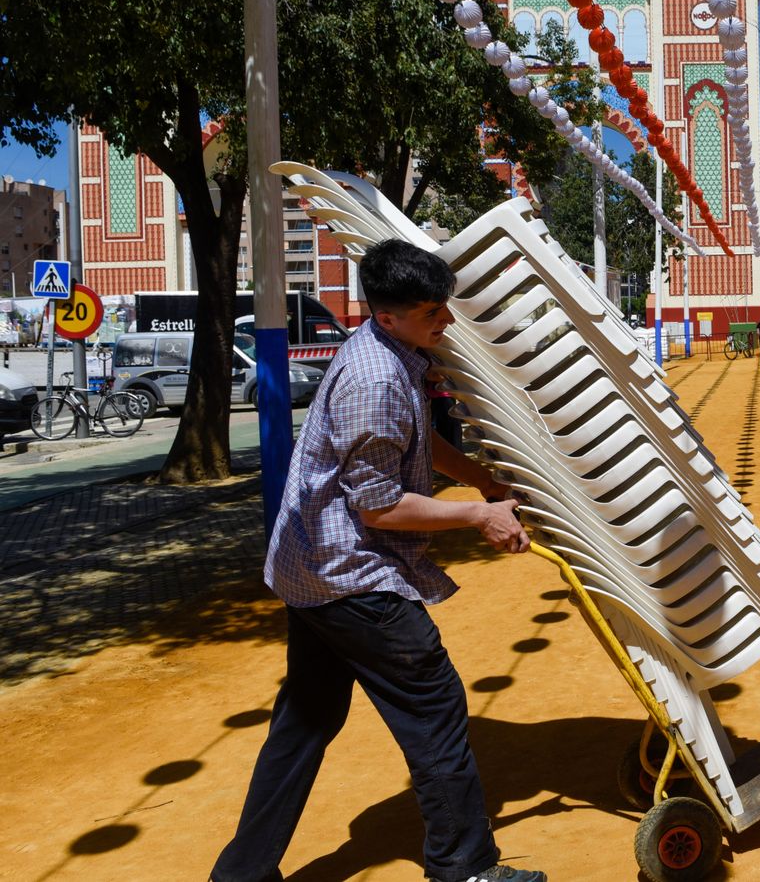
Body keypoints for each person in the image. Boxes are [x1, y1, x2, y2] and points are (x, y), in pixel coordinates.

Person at [211, 239, 546, 882]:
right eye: (431, 314)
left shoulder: (394, 352)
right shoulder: (374, 378)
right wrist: (480, 515)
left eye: (444, 309)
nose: (444, 323)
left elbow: (418, 440)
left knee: (305, 722)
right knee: (435, 709)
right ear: (387, 315)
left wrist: (482, 478)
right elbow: (380, 507)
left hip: (311, 570)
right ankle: (466, 869)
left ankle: (241, 876)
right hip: (350, 573)